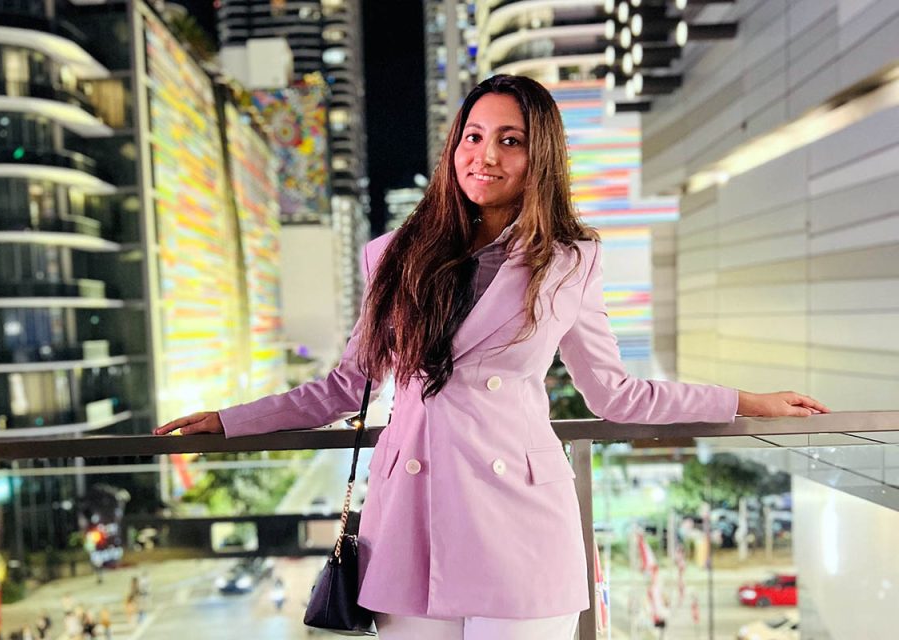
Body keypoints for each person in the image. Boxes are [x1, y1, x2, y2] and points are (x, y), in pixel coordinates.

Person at [153, 75, 828, 639]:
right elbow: (344, 384)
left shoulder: (570, 261)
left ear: (541, 158)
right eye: (474, 137)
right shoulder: (393, 254)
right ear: (454, 147)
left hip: (522, 520)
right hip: (409, 520)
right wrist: (231, 420)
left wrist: (746, 402)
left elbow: (617, 396)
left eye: (511, 141)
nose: (486, 155)